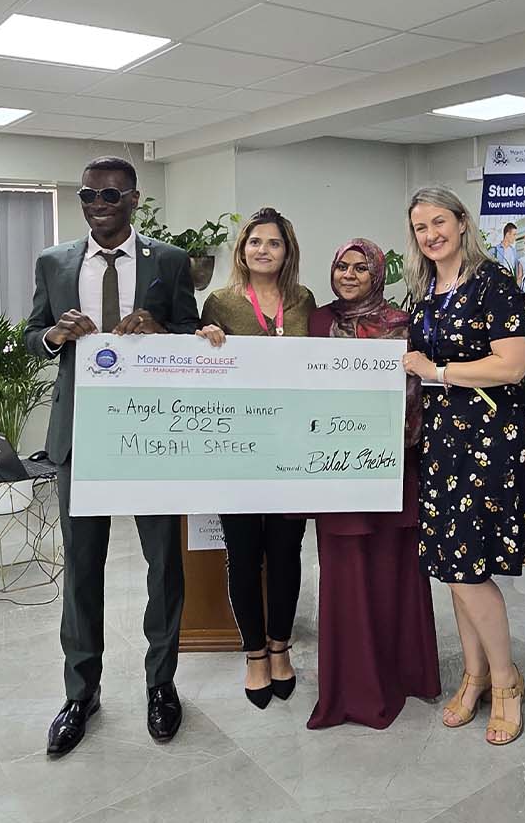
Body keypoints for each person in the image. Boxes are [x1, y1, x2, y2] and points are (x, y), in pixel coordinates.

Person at [28, 156, 201, 759]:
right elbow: (31, 333)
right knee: (81, 571)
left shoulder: (169, 261)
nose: (97, 204)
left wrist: (162, 331)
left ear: (134, 199)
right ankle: (80, 694)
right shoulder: (54, 262)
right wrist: (54, 335)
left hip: (149, 434)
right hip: (81, 438)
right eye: (87, 195)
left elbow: (193, 334)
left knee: (164, 567)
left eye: (109, 194)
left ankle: (161, 685)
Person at [401, 186, 525, 747]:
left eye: (439, 222)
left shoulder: (494, 283)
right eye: (420, 227)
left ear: (462, 223)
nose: (431, 234)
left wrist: (437, 371)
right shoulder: (424, 290)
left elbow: (512, 365)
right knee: (453, 565)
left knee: (467, 567)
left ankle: (507, 682)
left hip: (491, 439)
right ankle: (475, 675)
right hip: (442, 440)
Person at [304, 238, 441, 730]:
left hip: (392, 466)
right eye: (342, 266)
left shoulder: (402, 323)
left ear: (378, 274)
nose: (349, 274)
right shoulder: (316, 322)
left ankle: (403, 674)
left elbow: (419, 394)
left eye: (361, 268)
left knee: (390, 571)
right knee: (344, 575)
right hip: (334, 468)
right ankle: (352, 687)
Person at [194, 207, 316, 708]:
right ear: (242, 249)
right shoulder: (219, 302)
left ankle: (280, 646)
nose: (264, 250)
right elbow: (201, 368)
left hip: (292, 445)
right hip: (238, 446)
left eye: (274, 243)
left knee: (287, 552)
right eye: (255, 242)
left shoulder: (303, 300)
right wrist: (204, 342)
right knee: (243, 555)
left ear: (287, 252)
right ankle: (254, 655)